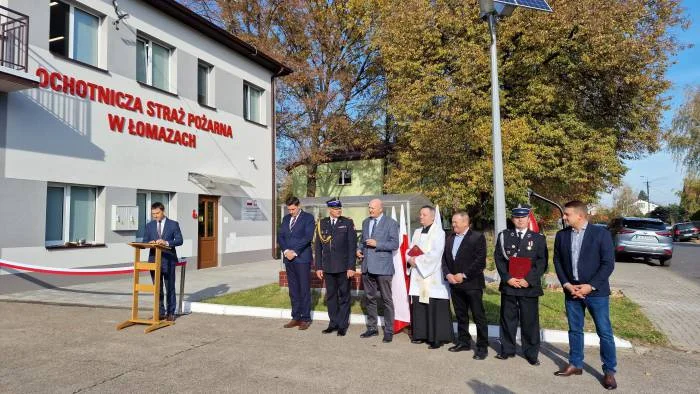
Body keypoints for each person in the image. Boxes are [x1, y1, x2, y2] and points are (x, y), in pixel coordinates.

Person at [553, 200, 617, 390]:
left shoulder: (601, 234)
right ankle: (575, 364)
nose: (563, 217)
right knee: (574, 329)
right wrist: (566, 284)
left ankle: (609, 371)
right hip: (572, 291)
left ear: (580, 216)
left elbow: (608, 264)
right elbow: (557, 261)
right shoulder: (561, 235)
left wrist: (591, 286)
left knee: (604, 332)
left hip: (596, 292)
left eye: (567, 214)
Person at [494, 205, 548, 365]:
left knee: (529, 321)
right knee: (507, 319)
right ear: (513, 219)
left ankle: (531, 353)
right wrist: (507, 278)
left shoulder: (538, 238)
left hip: (529, 287)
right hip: (510, 285)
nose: (520, 220)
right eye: (517, 217)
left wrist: (528, 280)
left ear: (528, 218)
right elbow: (499, 258)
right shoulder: (504, 236)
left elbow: (541, 262)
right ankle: (507, 349)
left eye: (523, 217)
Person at [441, 211, 489, 360]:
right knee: (461, 315)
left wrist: (464, 275)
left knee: (478, 316)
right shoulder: (449, 237)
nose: (453, 224)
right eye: (453, 222)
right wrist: (448, 274)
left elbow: (480, 261)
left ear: (466, 223)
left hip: (472, 284)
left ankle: (482, 347)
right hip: (455, 284)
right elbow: (444, 258)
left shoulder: (477, 237)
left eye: (456, 222)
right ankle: (464, 342)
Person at [406, 205, 453, 349]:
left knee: (434, 307)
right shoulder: (417, 231)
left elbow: (436, 253)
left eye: (424, 214)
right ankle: (420, 334)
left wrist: (417, 261)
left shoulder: (439, 233)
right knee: (420, 306)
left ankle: (436, 337)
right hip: (418, 275)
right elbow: (410, 248)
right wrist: (409, 259)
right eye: (420, 214)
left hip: (432, 276)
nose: (421, 217)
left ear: (432, 217)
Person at [357, 198, 400, 343]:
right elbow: (362, 241)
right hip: (367, 266)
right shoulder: (365, 222)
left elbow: (395, 244)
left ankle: (389, 331)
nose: (370, 210)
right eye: (369, 208)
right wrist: (359, 250)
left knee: (387, 300)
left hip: (383, 268)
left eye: (373, 208)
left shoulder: (391, 223)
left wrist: (378, 244)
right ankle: (372, 328)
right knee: (370, 299)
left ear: (381, 208)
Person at [314, 198, 357, 336]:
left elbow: (352, 246)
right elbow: (318, 247)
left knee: (344, 296)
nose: (339, 210)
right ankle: (333, 323)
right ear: (330, 210)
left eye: (340, 208)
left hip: (344, 267)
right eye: (336, 209)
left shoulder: (347, 223)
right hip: (328, 268)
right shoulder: (322, 224)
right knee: (331, 297)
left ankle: (342, 326)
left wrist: (351, 267)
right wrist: (319, 267)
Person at [278, 196, 315, 330]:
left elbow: (307, 237)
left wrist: (294, 252)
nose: (291, 212)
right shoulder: (286, 219)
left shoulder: (308, 218)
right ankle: (296, 317)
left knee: (304, 289)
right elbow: (280, 236)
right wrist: (286, 250)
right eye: (289, 209)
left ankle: (305, 318)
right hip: (288, 259)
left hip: (301, 258)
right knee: (293, 290)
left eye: (293, 209)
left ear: (298, 206)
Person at [142, 202, 183, 322]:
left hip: (169, 260)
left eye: (157, 213)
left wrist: (166, 242)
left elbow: (180, 240)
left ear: (163, 211)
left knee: (169, 287)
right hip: (154, 260)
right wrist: (150, 243)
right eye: (153, 214)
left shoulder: (173, 224)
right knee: (157, 288)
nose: (155, 216)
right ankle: (160, 312)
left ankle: (171, 313)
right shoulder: (149, 226)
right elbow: (145, 240)